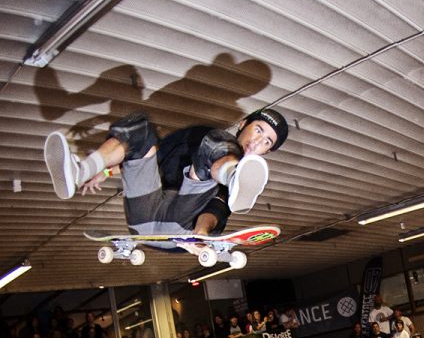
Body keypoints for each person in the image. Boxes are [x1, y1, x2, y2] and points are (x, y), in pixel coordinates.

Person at [44, 107, 288, 257]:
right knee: (141, 129)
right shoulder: (195, 138)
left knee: (217, 145)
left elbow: (217, 210)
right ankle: (78, 171)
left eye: (267, 142)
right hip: (145, 217)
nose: (258, 142)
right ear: (244, 123)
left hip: (180, 227)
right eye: (258, 130)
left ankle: (230, 175)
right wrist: (106, 172)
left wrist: (200, 233)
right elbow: (151, 158)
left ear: (265, 154)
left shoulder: (226, 154)